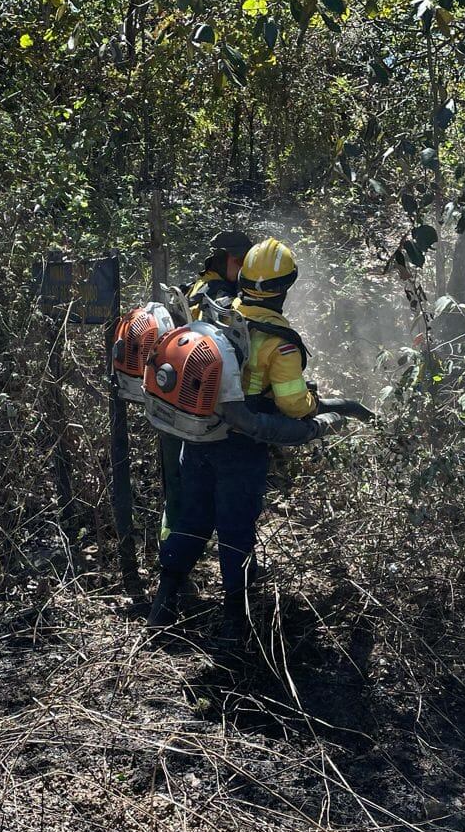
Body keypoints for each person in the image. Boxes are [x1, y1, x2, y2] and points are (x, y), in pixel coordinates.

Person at [148, 237, 345, 644]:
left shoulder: (218, 310)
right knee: (236, 531)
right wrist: (315, 405)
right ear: (286, 286)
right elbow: (293, 405)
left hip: (199, 435)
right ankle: (234, 625)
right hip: (241, 447)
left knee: (192, 521)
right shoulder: (280, 340)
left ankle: (162, 609)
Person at [158, 230, 254, 541]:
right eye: (242, 264)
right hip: (194, 405)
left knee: (174, 482)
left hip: (170, 394)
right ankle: (174, 559)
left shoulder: (195, 286)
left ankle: (171, 555)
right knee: (189, 491)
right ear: (231, 260)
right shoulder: (222, 298)